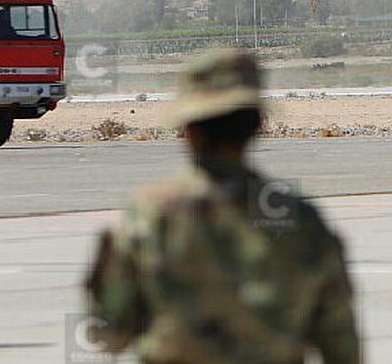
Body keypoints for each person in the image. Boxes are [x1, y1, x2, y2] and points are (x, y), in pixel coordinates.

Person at [84, 49, 362, 364]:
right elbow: (341, 345)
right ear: (257, 126)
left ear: (188, 131)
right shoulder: (299, 220)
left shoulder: (150, 215)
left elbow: (111, 334)